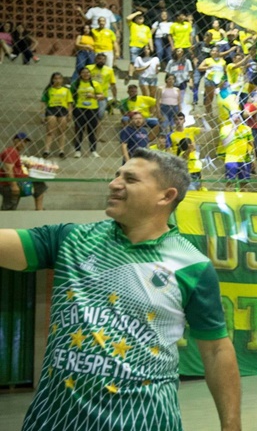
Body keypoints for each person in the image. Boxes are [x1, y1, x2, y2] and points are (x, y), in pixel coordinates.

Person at [0, 148, 241, 430]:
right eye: (117, 175)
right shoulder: (71, 239)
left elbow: (216, 350)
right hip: (54, 421)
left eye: (130, 179)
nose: (114, 184)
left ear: (166, 196)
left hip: (145, 422)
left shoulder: (192, 266)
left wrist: (231, 425)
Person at [1, 132, 49, 211]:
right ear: (14, 140)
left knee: (39, 185)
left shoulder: (14, 152)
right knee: (9, 207)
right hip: (9, 184)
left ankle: (39, 209)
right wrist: (13, 185)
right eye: (20, 141)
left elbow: (14, 167)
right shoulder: (11, 151)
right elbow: (8, 169)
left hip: (20, 181)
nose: (22, 143)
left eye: (25, 142)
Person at [71, 67, 104, 158]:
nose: (86, 74)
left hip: (92, 109)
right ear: (80, 74)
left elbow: (102, 96)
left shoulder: (95, 84)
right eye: (83, 72)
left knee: (92, 130)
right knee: (79, 130)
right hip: (79, 109)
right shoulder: (75, 84)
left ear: (90, 74)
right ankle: (77, 150)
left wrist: (93, 96)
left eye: (87, 72)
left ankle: (93, 150)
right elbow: (71, 97)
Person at [40, 72, 73, 159]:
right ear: (52, 80)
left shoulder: (66, 90)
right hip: (52, 109)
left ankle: (61, 151)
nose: (57, 80)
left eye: (59, 78)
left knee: (62, 131)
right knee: (50, 131)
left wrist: (70, 114)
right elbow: (43, 103)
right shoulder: (49, 90)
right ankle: (46, 150)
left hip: (62, 109)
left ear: (62, 80)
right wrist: (42, 115)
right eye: (55, 78)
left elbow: (69, 103)